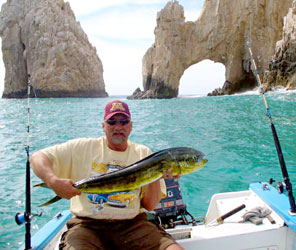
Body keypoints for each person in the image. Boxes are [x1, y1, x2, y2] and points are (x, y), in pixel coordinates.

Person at [30, 100, 184, 250]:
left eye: (124, 122)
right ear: (103, 126)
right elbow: (37, 157)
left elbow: (150, 205)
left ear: (131, 126)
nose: (118, 127)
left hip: (133, 225)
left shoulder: (144, 153)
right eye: (112, 122)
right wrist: (52, 181)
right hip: (87, 226)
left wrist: (156, 176)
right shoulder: (82, 147)